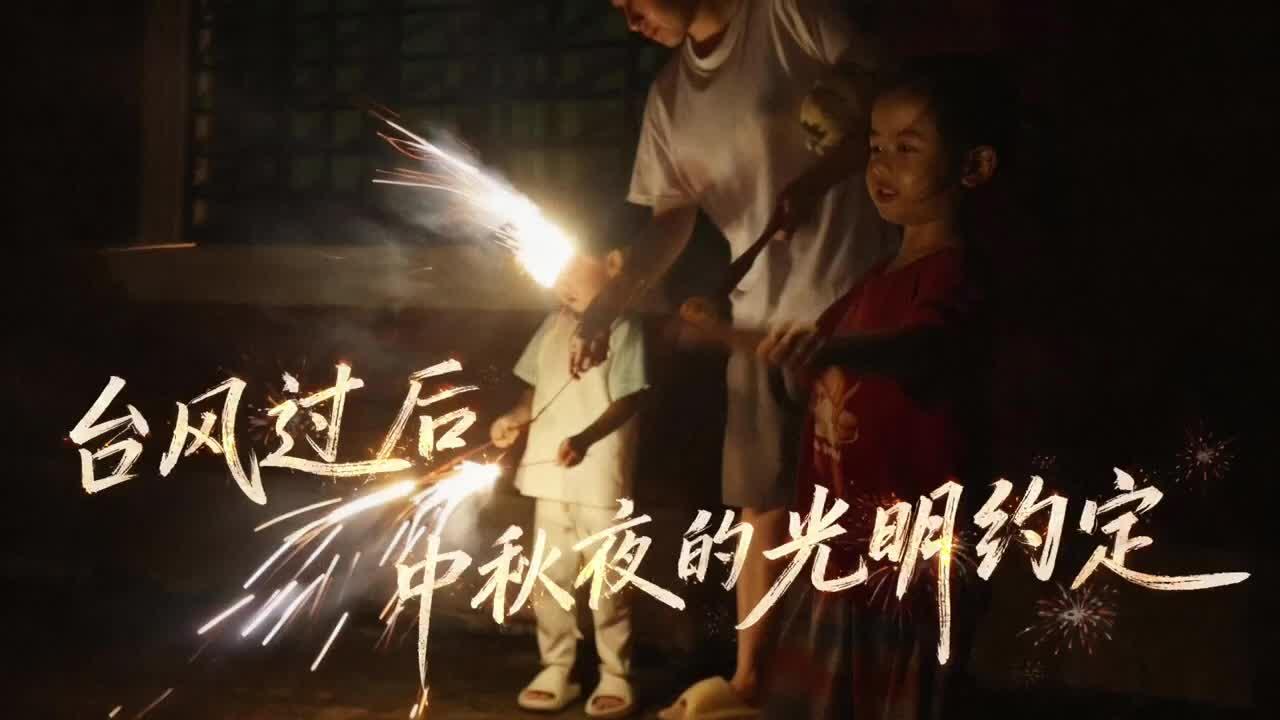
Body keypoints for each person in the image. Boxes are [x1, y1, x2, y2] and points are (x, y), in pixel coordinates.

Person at [584, 3, 896, 715]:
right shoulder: (669, 95)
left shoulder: (784, 15)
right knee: (761, 502)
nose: (630, 19)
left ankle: (865, 682)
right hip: (758, 322)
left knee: (866, 505)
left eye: (633, 0)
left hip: (855, 305)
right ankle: (753, 679)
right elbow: (670, 220)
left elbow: (887, 95)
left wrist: (819, 179)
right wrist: (610, 303)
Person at [752, 54, 1014, 718]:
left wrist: (834, 351)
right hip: (837, 554)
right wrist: (786, 366)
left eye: (906, 147)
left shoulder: (957, 277)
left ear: (974, 166)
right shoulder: (871, 283)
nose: (880, 166)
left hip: (906, 567)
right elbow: (815, 384)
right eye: (873, 147)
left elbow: (926, 351)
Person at [490, 227, 650, 719]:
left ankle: (615, 672)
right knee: (549, 576)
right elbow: (533, 389)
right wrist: (515, 419)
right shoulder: (553, 324)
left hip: (599, 478)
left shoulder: (624, 327)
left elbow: (631, 397)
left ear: (613, 264)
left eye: (571, 267)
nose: (562, 282)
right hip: (548, 478)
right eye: (554, 272)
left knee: (608, 582)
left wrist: (585, 439)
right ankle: (556, 666)